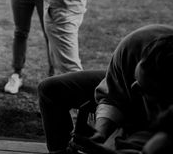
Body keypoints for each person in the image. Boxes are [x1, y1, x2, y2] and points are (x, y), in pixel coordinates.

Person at [37, 24, 173, 154]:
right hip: (120, 81)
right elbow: (112, 95)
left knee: (129, 142)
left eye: (145, 88)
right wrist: (100, 132)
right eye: (135, 78)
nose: (133, 87)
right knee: (50, 89)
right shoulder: (135, 45)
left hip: (155, 121)